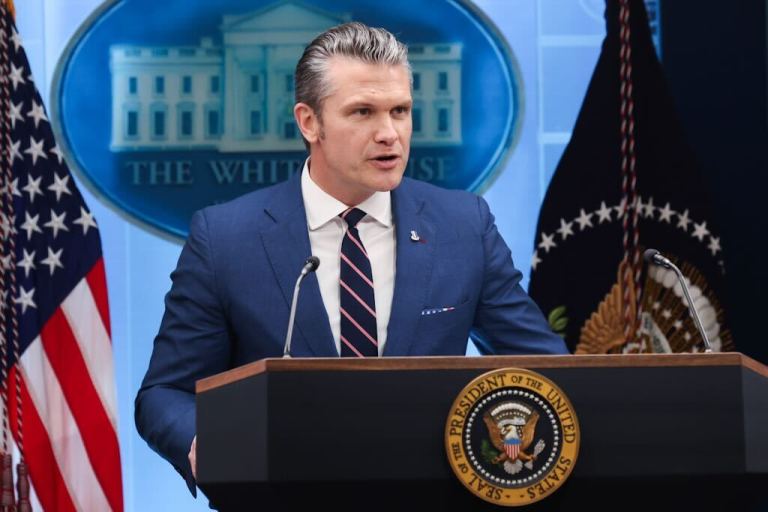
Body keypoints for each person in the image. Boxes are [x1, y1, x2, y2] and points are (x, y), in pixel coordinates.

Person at [135, 21, 568, 494]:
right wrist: (203, 440)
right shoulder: (225, 239)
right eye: (362, 112)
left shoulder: (464, 226)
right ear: (309, 122)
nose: (389, 134)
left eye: (400, 111)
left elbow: (544, 370)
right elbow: (165, 393)